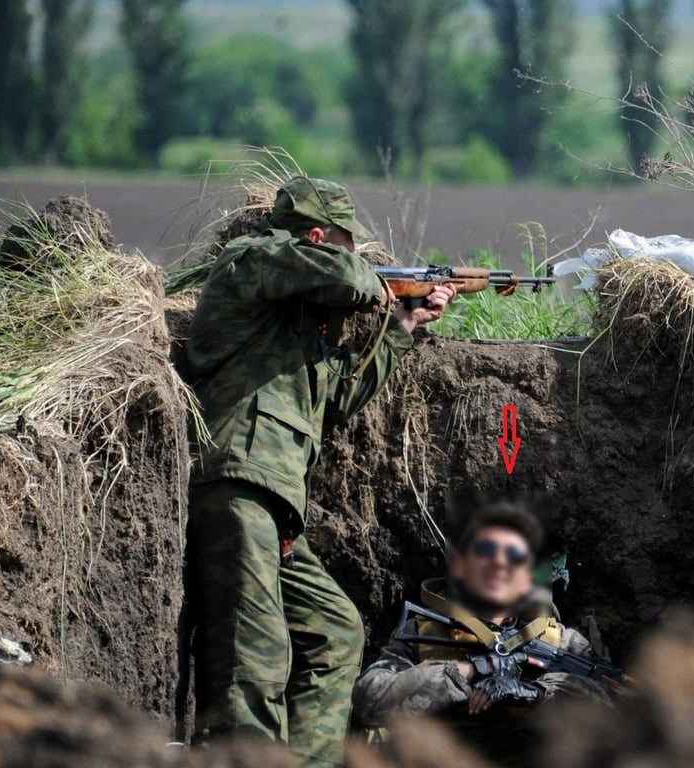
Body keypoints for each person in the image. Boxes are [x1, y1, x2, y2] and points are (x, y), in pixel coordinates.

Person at [182, 176, 456, 767]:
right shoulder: (250, 260)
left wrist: (403, 326)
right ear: (315, 237)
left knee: (335, 632)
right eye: (347, 244)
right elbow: (345, 276)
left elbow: (333, 404)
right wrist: (386, 283)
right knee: (254, 658)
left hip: (274, 500)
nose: (356, 258)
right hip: (239, 482)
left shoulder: (295, 328)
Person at [352, 503, 612, 765]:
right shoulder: (424, 632)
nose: (499, 563)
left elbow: (617, 709)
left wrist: (535, 693)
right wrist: (468, 671)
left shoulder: (561, 642)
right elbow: (369, 700)